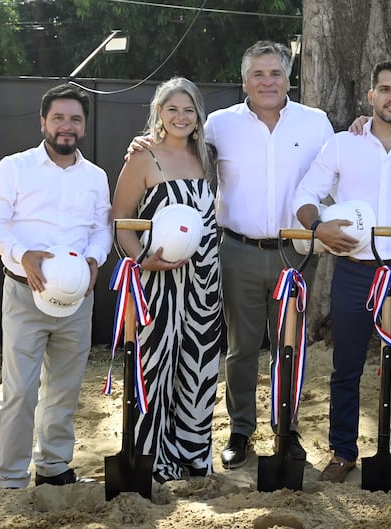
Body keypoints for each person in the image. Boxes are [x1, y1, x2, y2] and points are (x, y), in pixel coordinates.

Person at [125, 41, 335, 468]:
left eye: (275, 73)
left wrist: (365, 126)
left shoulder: (316, 123)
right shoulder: (220, 124)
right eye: (257, 74)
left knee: (289, 345)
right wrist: (141, 143)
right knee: (239, 348)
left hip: (295, 256)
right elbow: (177, 142)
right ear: (244, 81)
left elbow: (338, 170)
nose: (267, 81)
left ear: (288, 76)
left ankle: (287, 429)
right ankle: (241, 430)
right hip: (235, 251)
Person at [294, 60, 391, 483]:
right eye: (384, 89)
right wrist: (318, 226)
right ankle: (343, 452)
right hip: (353, 273)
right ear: (371, 95)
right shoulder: (344, 144)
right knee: (345, 367)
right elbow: (306, 193)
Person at [0, 83, 112, 488]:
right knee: (20, 389)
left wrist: (94, 260)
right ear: (43, 123)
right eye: (58, 118)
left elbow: (101, 229)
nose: (66, 127)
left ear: (83, 127)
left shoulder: (95, 176)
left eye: (75, 119)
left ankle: (53, 468)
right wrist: (23, 253)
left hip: (76, 299)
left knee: (65, 388)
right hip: (23, 293)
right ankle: (12, 477)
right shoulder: (14, 167)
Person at [112, 77, 226, 482]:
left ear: (198, 117)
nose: (180, 117)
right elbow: (121, 223)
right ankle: (151, 460)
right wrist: (143, 259)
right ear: (158, 112)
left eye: (188, 110)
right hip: (156, 284)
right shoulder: (142, 157)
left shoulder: (209, 157)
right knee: (154, 370)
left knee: (197, 369)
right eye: (172, 109)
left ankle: (194, 459)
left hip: (202, 284)